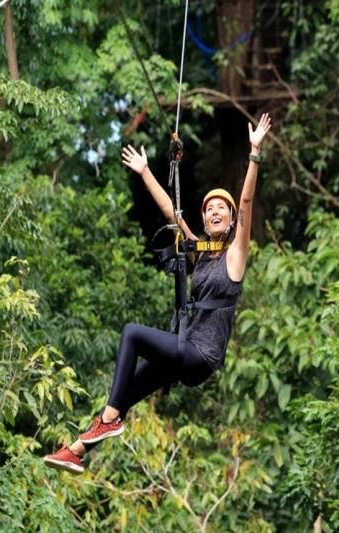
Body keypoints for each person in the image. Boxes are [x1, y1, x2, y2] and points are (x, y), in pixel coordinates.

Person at [43, 113, 272, 475]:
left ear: (229, 222)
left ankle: (109, 422)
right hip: (185, 349)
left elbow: (245, 203)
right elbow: (171, 211)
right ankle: (76, 451)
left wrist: (254, 153)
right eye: (209, 208)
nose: (214, 211)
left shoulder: (236, 256)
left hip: (200, 354)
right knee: (124, 394)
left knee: (132, 333)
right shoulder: (201, 251)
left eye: (220, 209)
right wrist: (146, 171)